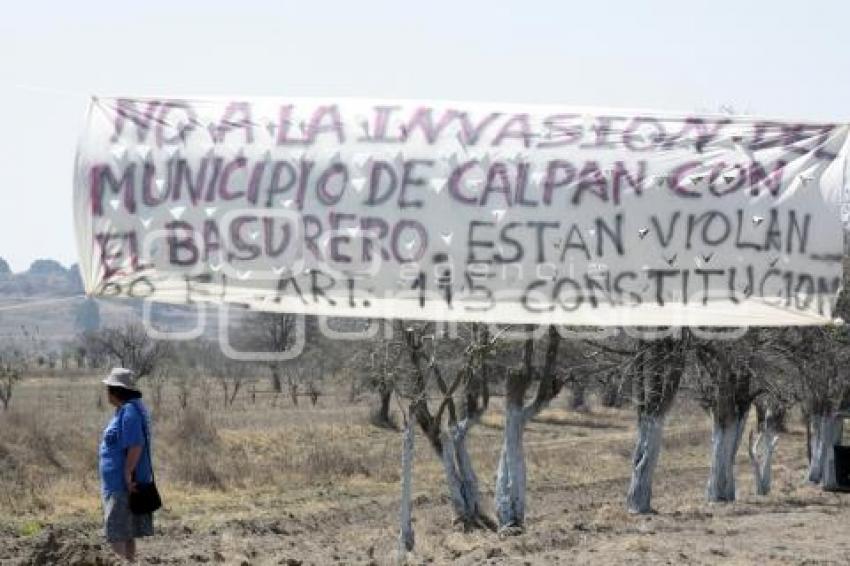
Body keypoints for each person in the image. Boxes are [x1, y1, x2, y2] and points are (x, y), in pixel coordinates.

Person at [99, 367, 155, 562]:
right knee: (127, 532)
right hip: (123, 484)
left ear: (116, 390)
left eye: (108, 388)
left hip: (122, 485)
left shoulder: (129, 411)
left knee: (117, 534)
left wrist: (127, 473)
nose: (106, 392)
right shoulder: (129, 409)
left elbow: (135, 445)